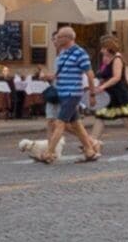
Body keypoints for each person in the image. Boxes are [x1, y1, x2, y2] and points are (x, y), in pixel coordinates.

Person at [38, 28, 101, 164]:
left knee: (60, 123)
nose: (57, 40)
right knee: (76, 124)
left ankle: (49, 153)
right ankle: (90, 151)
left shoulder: (80, 53)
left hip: (72, 93)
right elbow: (58, 74)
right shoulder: (63, 53)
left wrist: (92, 93)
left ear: (68, 38)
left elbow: (90, 74)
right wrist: (47, 77)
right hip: (62, 92)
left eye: (59, 37)